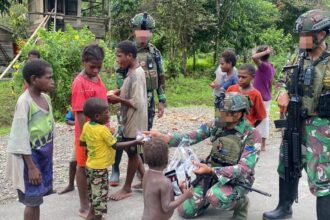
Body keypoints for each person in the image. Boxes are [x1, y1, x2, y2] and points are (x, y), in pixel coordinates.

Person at [145, 93, 261, 219]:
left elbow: (244, 169)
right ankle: (206, 197)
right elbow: (191, 137)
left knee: (215, 197)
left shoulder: (251, 134)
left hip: (235, 180)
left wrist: (212, 170)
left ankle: (241, 204)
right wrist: (165, 138)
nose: (218, 114)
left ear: (237, 115)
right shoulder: (217, 125)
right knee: (185, 210)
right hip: (211, 175)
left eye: (223, 112)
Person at [263, 9, 330, 220]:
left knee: (322, 175)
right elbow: (283, 79)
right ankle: (284, 208)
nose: (302, 40)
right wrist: (282, 91)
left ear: (322, 35)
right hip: (294, 120)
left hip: (320, 124)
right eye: (300, 36)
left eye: (306, 35)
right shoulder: (297, 56)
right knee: (287, 162)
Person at [110, 12, 166, 186]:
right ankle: (115, 169)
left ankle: (140, 170)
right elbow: (118, 74)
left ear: (151, 32)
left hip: (147, 101)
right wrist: (126, 89)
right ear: (134, 31)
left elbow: (160, 77)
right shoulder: (125, 50)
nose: (143, 35)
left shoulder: (154, 52)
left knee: (143, 136)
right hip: (129, 99)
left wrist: (161, 100)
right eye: (140, 31)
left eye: (147, 31)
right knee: (121, 135)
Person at [6, 59, 55, 220]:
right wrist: (31, 167)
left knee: (37, 199)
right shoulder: (24, 102)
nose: (52, 81)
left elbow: (50, 126)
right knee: (32, 200)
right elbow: (19, 137)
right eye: (48, 77)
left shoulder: (45, 99)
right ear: (34, 79)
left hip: (43, 156)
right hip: (30, 160)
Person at [80, 98, 143, 220]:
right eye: (107, 112)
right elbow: (116, 145)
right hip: (99, 170)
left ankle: (90, 216)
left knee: (95, 195)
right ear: (97, 116)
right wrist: (135, 141)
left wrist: (93, 147)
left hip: (90, 166)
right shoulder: (103, 130)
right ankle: (96, 217)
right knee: (101, 200)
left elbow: (82, 142)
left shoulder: (87, 126)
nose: (109, 115)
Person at [71, 44, 108, 218]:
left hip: (100, 133)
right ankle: (84, 205)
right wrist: (85, 138)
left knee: (97, 166)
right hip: (87, 135)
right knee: (82, 165)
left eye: (99, 67)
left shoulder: (97, 78)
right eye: (92, 66)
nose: (95, 70)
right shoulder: (79, 83)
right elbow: (79, 113)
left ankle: (95, 200)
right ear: (83, 62)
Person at [108, 40, 148, 201]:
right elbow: (130, 91)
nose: (117, 60)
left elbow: (136, 102)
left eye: (119, 56)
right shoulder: (131, 71)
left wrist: (117, 99)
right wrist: (118, 91)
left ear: (130, 56)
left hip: (135, 120)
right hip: (131, 120)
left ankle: (126, 188)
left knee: (132, 152)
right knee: (132, 150)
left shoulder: (137, 74)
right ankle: (146, 181)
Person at [142, 138, 194, 220]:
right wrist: (185, 195)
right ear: (166, 160)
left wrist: (178, 189)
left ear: (145, 159)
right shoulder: (164, 182)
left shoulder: (146, 174)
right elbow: (166, 207)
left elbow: (157, 195)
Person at [252, 45, 275, 151]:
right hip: (266, 96)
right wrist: (270, 93)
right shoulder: (271, 66)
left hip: (260, 97)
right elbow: (270, 83)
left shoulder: (264, 66)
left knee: (257, 119)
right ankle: (261, 144)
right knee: (263, 119)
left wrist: (266, 52)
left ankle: (259, 143)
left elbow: (254, 57)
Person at [58, 109, 76, 194]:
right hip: (80, 138)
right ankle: (71, 184)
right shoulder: (76, 106)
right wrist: (78, 122)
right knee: (73, 162)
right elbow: (68, 120)